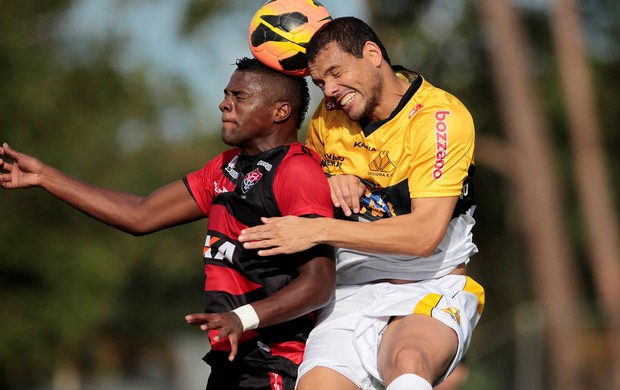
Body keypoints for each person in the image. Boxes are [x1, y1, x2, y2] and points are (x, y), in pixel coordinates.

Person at [0, 57, 335, 390]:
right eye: (226, 94)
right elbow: (140, 214)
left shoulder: (297, 172)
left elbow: (318, 284)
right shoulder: (225, 167)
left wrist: (242, 317)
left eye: (239, 97)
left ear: (281, 111)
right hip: (231, 357)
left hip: (275, 359)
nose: (224, 104)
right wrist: (46, 176)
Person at [239, 17, 485, 390]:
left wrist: (316, 230)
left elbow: (423, 237)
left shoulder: (439, 118)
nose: (331, 91)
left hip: (428, 281)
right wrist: (331, 179)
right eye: (321, 82)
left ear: (372, 54)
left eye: (336, 73)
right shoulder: (327, 119)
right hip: (349, 290)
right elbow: (307, 182)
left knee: (408, 364)